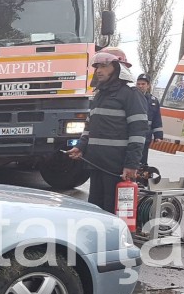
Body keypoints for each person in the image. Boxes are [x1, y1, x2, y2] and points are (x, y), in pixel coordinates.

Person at [66, 52, 148, 213]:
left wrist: (131, 164)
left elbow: (138, 132)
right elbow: (90, 126)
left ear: (117, 68)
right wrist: (81, 147)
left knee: (114, 213)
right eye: (97, 67)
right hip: (96, 164)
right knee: (96, 210)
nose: (98, 71)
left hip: (116, 168)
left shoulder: (131, 94)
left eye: (104, 66)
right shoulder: (100, 94)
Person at [135, 73, 163, 167]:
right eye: (138, 84)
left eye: (143, 84)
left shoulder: (153, 101)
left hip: (146, 135)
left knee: (142, 161)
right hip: (132, 134)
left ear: (148, 85)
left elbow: (157, 119)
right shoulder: (131, 98)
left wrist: (158, 136)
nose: (140, 86)